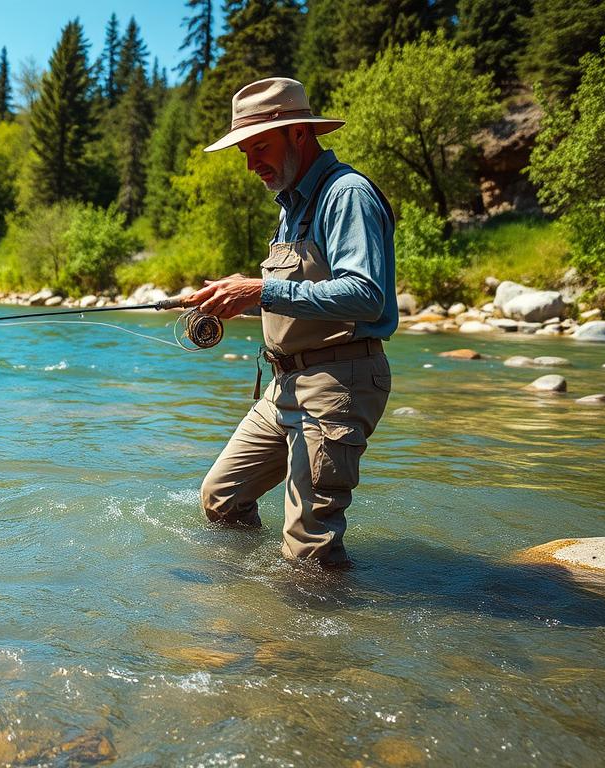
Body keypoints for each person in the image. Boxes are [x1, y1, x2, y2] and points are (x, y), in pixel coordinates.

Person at [184, 77, 396, 568]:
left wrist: (259, 289)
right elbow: (302, 295)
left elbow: (365, 296)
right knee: (222, 499)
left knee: (309, 548)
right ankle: (257, 592)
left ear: (299, 134)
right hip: (284, 385)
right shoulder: (291, 205)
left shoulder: (347, 195)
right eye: (244, 151)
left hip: (338, 381)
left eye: (260, 147)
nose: (251, 163)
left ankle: (313, 629)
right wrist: (230, 299)